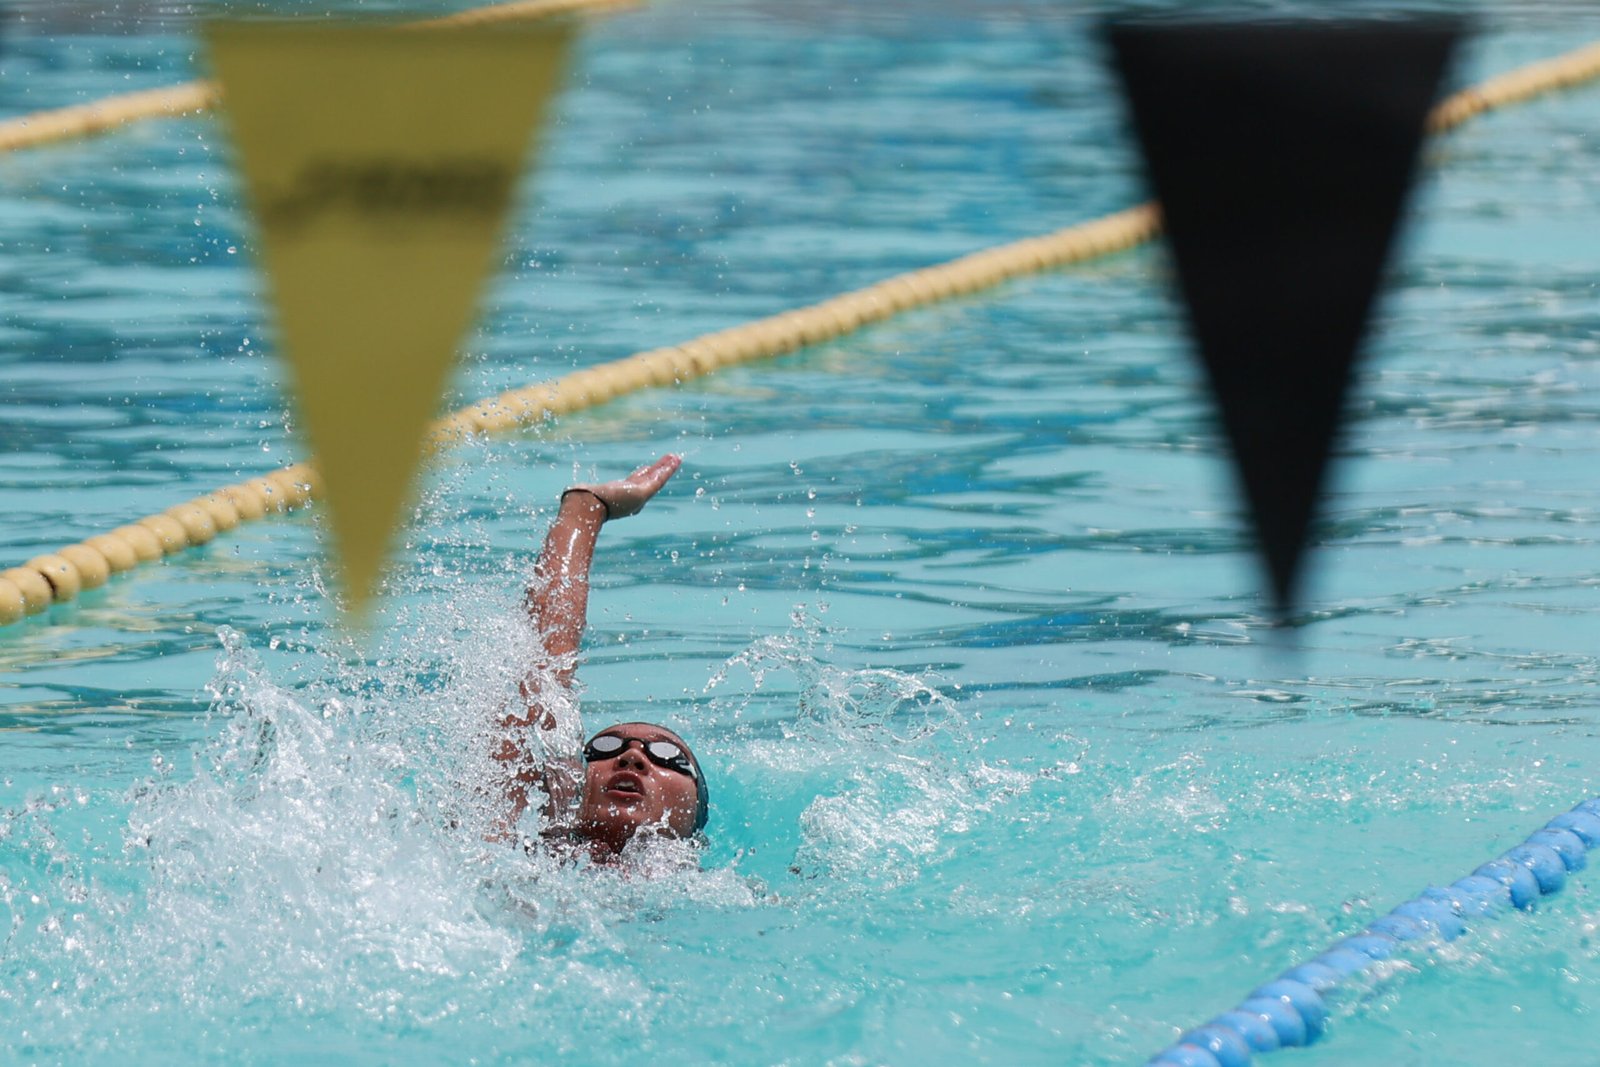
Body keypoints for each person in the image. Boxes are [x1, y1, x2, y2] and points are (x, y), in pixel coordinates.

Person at [492, 454, 707, 862]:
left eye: (668, 757)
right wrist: (586, 509)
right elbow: (539, 685)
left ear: (696, 819)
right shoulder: (520, 854)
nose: (632, 757)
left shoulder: (727, 892)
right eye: (603, 748)